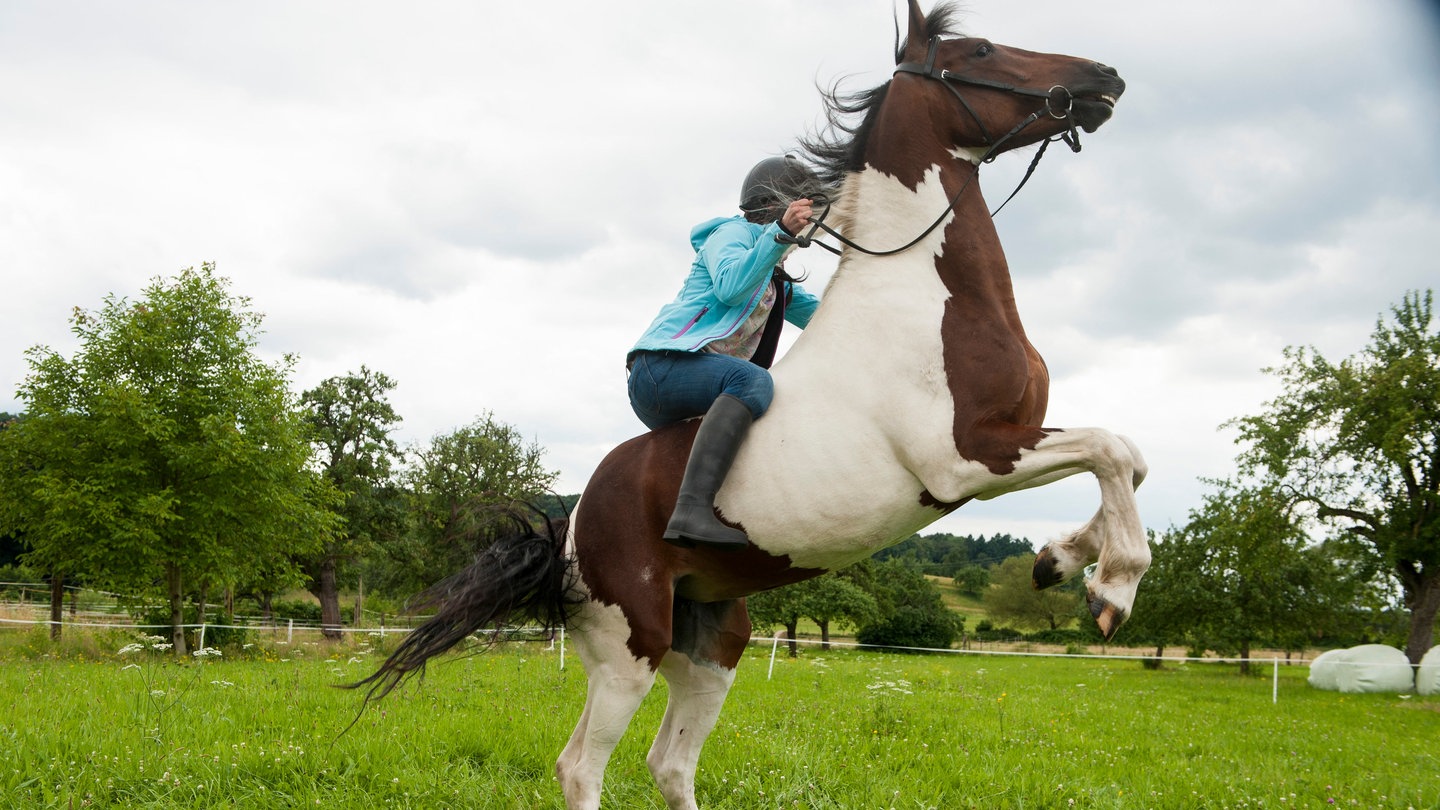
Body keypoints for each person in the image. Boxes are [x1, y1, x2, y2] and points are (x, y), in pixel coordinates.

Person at [627, 155, 824, 551]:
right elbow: (731, 287)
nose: (810, 226)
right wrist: (780, 235)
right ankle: (691, 510)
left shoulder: (773, 279)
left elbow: (827, 318)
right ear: (775, 206)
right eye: (802, 213)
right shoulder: (729, 234)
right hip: (659, 370)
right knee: (752, 381)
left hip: (693, 383)